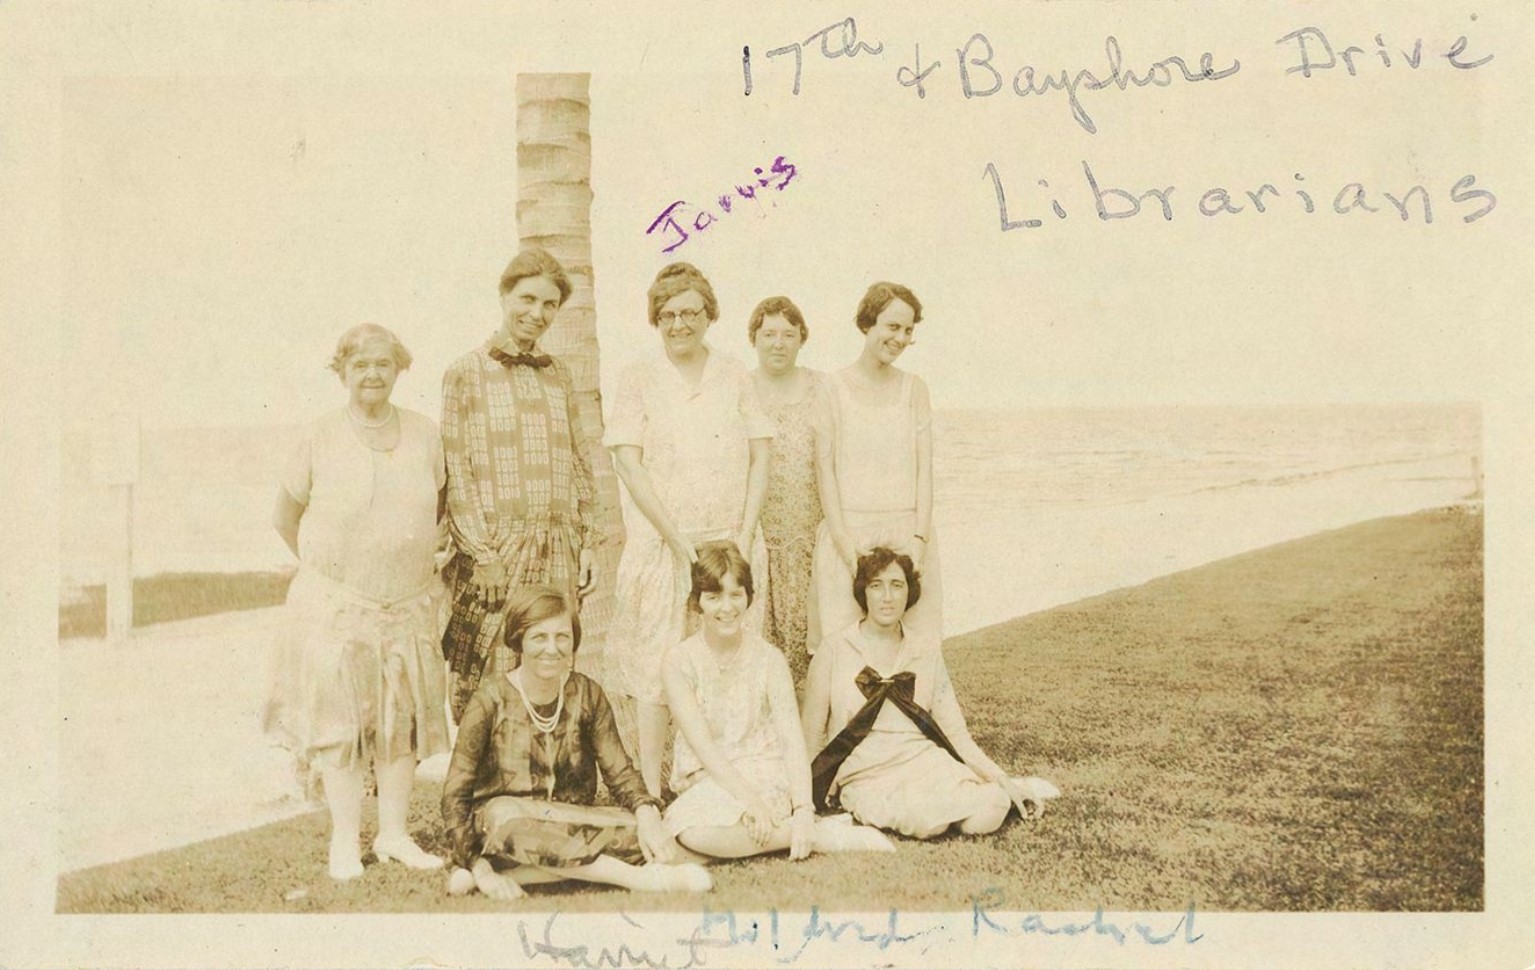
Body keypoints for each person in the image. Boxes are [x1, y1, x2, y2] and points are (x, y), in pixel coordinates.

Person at [265, 323, 451, 881]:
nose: (373, 374)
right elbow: (284, 516)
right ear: (342, 371)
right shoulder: (318, 435)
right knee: (339, 724)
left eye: (384, 364)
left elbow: (436, 509)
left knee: (402, 722)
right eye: (361, 364)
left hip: (410, 603)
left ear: (399, 369)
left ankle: (394, 835)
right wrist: (331, 576)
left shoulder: (425, 434)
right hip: (336, 609)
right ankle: (345, 841)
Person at [605, 262, 774, 797]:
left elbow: (760, 453)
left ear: (710, 315)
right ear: (656, 318)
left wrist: (744, 537)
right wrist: (679, 543)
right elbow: (628, 465)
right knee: (658, 667)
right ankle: (653, 789)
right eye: (669, 314)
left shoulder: (734, 374)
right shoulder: (637, 376)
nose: (680, 324)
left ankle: (717, 777)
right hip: (664, 548)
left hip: (730, 542)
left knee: (727, 661)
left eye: (691, 313)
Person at [441, 587, 713, 899]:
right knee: (508, 821)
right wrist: (479, 866)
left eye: (562, 637)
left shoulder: (587, 694)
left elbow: (620, 772)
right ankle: (637, 879)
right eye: (539, 637)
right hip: (502, 826)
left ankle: (519, 873)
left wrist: (646, 814)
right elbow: (454, 796)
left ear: (574, 641)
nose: (552, 649)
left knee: (644, 831)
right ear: (519, 640)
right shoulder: (489, 699)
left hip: (569, 822)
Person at [440, 248, 601, 721]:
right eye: (527, 299)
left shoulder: (560, 375)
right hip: (495, 549)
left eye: (549, 305)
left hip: (558, 545)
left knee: (548, 659)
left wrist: (586, 543)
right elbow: (457, 469)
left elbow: (578, 460)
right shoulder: (465, 373)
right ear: (504, 294)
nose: (537, 314)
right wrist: (482, 555)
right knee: (486, 666)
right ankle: (480, 784)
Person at [801, 547, 1060, 840]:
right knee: (928, 823)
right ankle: (948, 810)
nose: (887, 596)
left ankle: (978, 797)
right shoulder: (833, 649)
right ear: (864, 593)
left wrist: (1003, 780)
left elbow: (957, 735)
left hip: (926, 764)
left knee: (992, 808)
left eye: (896, 585)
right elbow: (810, 736)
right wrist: (804, 801)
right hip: (867, 775)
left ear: (909, 593)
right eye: (877, 586)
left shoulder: (925, 650)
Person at [662, 543, 893, 859]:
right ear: (697, 602)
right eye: (713, 597)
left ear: (749, 597)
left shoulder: (769, 660)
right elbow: (705, 749)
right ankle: (812, 836)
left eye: (735, 595)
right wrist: (749, 803)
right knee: (688, 832)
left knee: (687, 842)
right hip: (710, 775)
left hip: (765, 771)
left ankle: (791, 830)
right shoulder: (678, 662)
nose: (726, 608)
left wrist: (802, 808)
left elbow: (791, 740)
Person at [812, 282, 942, 650]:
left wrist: (919, 540)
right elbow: (825, 473)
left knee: (913, 652)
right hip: (849, 536)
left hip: (907, 534)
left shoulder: (915, 389)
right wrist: (844, 546)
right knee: (846, 654)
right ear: (868, 323)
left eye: (908, 330)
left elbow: (924, 471)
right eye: (892, 326)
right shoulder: (832, 388)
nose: (900, 338)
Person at [748, 296, 826, 687]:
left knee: (813, 642)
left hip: (811, 533)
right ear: (754, 339)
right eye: (769, 334)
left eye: (788, 334)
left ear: (801, 339)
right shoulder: (740, 388)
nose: (778, 343)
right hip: (760, 534)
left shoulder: (821, 387)